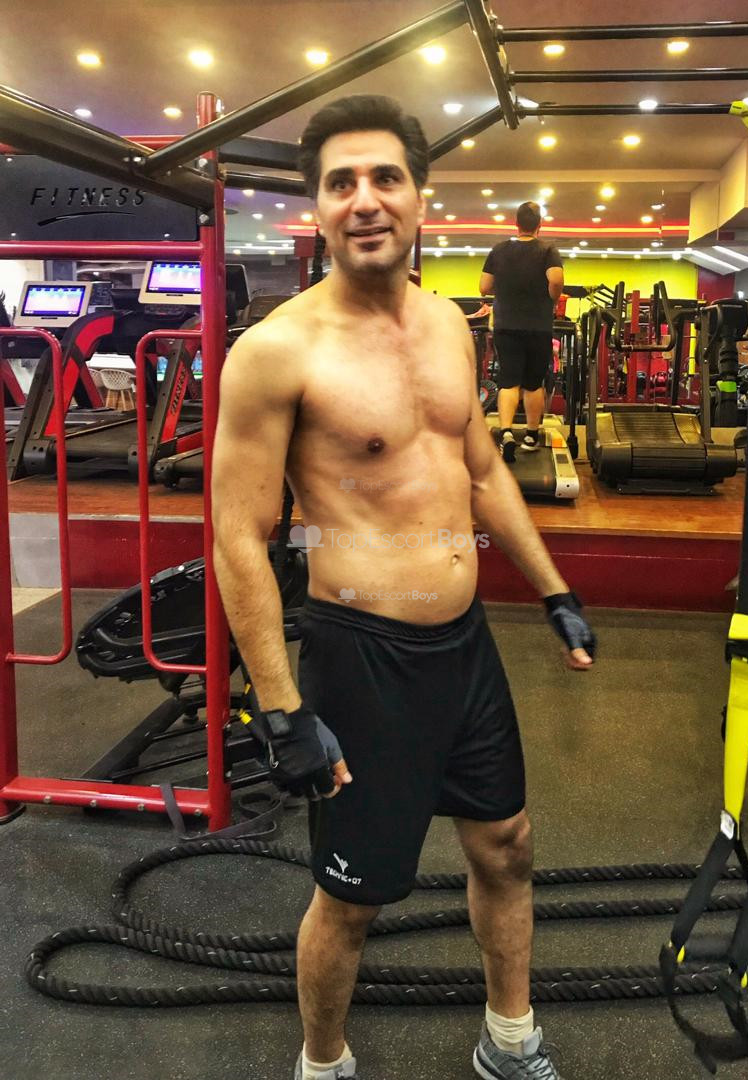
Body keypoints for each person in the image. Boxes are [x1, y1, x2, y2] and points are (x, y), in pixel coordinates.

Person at [212, 94, 596, 1080]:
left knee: (506, 843)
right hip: (363, 659)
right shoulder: (277, 351)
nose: (365, 199)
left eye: (385, 176)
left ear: (421, 196)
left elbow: (482, 469)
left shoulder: (448, 324)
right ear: (318, 208)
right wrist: (281, 708)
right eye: (341, 182)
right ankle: (323, 1064)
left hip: (464, 647)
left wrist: (552, 591)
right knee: (353, 897)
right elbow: (238, 537)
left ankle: (509, 1040)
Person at [479, 202, 564, 462]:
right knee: (533, 383)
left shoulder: (499, 250)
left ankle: (506, 432)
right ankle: (530, 435)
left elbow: (484, 287)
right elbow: (556, 279)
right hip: (538, 326)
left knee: (508, 380)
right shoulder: (548, 250)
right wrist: (552, 297)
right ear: (539, 225)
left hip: (506, 325)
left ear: (516, 224)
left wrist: (506, 290)